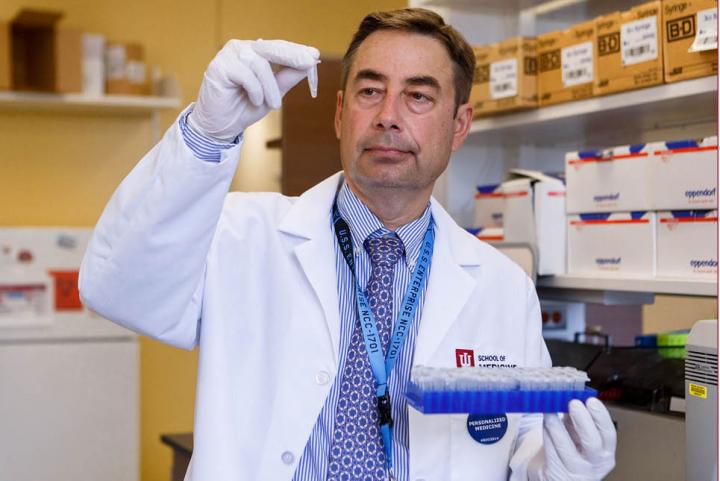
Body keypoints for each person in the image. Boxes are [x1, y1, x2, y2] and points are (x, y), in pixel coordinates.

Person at [80, 8, 616, 481]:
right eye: (370, 90)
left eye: (418, 95)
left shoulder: (503, 288)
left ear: (459, 126)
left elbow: (522, 443)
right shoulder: (239, 235)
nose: (388, 115)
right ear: (341, 113)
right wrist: (205, 134)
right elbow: (117, 289)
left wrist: (558, 468)